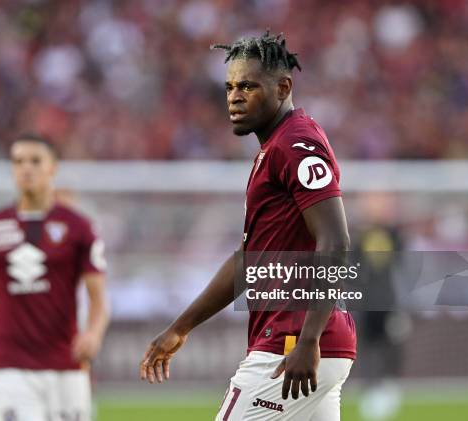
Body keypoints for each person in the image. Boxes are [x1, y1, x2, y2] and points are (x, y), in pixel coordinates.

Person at [140, 31, 356, 420]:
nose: (234, 97)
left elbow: (336, 240)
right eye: (230, 87)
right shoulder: (274, 149)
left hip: (292, 341)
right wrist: (182, 326)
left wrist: (307, 340)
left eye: (248, 86)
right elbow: (249, 262)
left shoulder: (296, 144)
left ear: (283, 87)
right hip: (309, 340)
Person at [0, 133, 109, 421]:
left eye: (35, 161)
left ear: (53, 167)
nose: (26, 168)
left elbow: (98, 297)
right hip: (11, 362)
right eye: (18, 161)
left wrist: (93, 333)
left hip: (66, 362)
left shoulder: (79, 227)